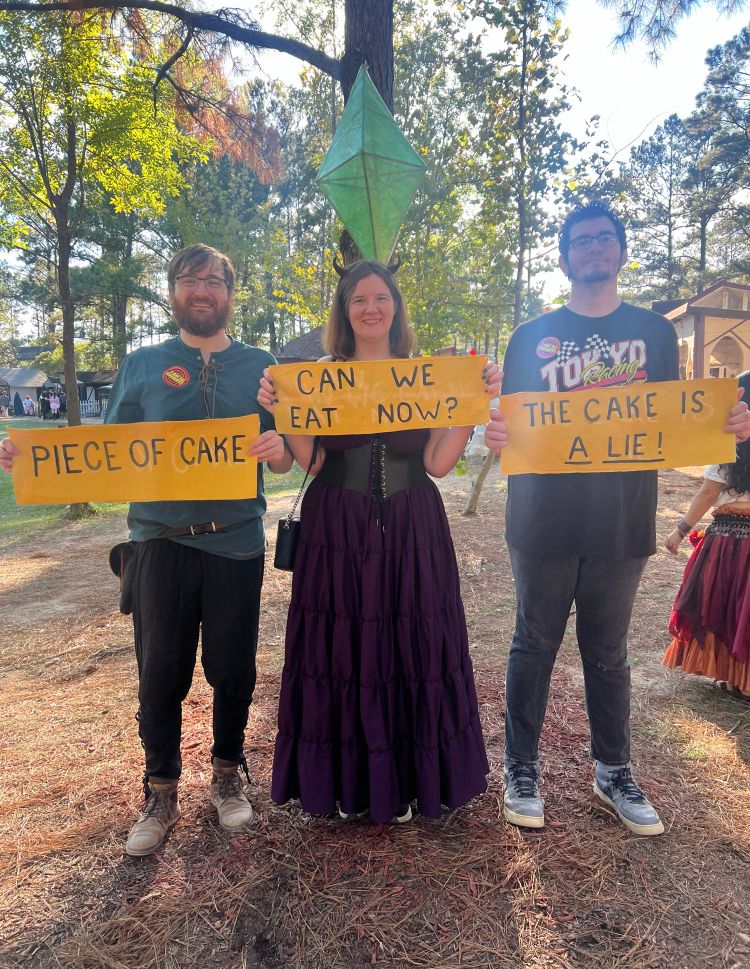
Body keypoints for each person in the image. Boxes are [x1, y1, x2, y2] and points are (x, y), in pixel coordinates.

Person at [1, 244, 292, 857]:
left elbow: (286, 451)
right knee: (160, 672)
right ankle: (160, 790)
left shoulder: (262, 365)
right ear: (173, 291)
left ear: (230, 295)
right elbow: (104, 454)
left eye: (214, 280)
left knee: (233, 668)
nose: (203, 290)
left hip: (235, 542)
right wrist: (34, 463)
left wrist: (279, 452)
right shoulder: (142, 365)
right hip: (157, 543)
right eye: (190, 280)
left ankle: (227, 774)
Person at [485, 201, 750, 837]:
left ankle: (614, 771)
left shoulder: (656, 334)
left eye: (606, 239)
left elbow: (681, 419)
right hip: (542, 516)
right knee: (533, 643)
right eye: (582, 241)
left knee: (607, 653)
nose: (594, 249)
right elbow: (511, 419)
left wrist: (728, 427)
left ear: (621, 252)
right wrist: (497, 431)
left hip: (621, 518)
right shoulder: (531, 336)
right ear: (565, 257)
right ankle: (521, 768)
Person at [258, 259, 499, 824]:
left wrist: (471, 404)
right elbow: (311, 461)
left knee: (414, 643)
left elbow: (439, 463)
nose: (371, 308)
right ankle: (349, 785)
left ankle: (414, 781)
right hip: (337, 526)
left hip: (414, 526)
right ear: (345, 310)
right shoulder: (319, 374)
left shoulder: (427, 373)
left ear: (396, 308)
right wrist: (282, 406)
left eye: (381, 298)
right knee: (341, 649)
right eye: (358, 299)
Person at [664, 369, 750, 697]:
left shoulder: (726, 446)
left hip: (727, 542)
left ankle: (732, 676)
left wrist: (681, 530)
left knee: (727, 606)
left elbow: (708, 494)